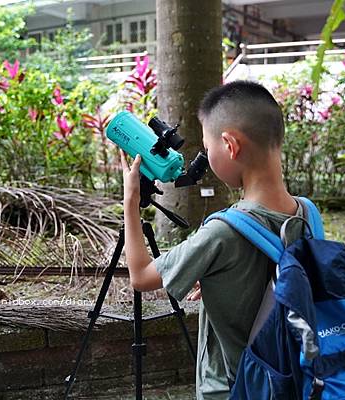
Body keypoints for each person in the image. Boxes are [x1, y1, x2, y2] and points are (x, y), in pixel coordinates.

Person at [120, 80, 305, 400]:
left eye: (208, 148)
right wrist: (223, 282)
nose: (205, 158)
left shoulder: (222, 233)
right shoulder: (306, 213)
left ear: (230, 146)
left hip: (232, 387)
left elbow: (139, 276)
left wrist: (130, 201)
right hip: (288, 378)